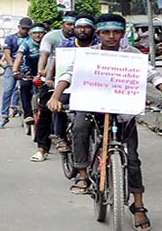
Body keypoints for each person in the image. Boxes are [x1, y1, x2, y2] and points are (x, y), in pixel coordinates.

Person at [47, 13, 162, 231]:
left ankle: (138, 206)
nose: (111, 36)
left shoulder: (132, 54)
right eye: (106, 32)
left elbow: (153, 75)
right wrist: (54, 97)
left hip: (123, 112)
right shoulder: (88, 54)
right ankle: (82, 174)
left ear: (122, 33)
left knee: (133, 158)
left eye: (116, 32)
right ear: (99, 34)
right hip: (92, 105)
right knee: (79, 127)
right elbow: (69, 75)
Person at [43, 13, 99, 153]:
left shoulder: (100, 44)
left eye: (87, 27)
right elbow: (55, 62)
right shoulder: (66, 44)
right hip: (70, 84)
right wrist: (49, 79)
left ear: (93, 29)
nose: (83, 30)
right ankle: (60, 136)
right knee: (59, 101)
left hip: (95, 85)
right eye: (79, 27)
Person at [31, 12, 76, 158]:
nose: (73, 27)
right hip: (54, 78)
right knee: (45, 111)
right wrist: (42, 73)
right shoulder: (51, 37)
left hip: (80, 82)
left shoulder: (92, 40)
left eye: (76, 25)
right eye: (69, 24)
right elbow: (45, 56)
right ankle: (42, 148)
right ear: (62, 24)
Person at [11, 23, 46, 160]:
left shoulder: (47, 43)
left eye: (41, 33)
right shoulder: (25, 44)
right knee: (25, 86)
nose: (38, 35)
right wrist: (15, 70)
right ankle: (27, 114)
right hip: (29, 72)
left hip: (45, 73)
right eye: (35, 33)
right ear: (31, 34)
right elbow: (18, 58)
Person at [0, 17, 32, 128]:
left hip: (27, 68)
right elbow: (7, 54)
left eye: (27, 29)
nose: (25, 31)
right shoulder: (10, 39)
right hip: (11, 66)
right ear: (18, 27)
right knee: (8, 90)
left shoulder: (31, 40)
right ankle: (4, 115)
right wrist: (14, 67)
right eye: (23, 28)